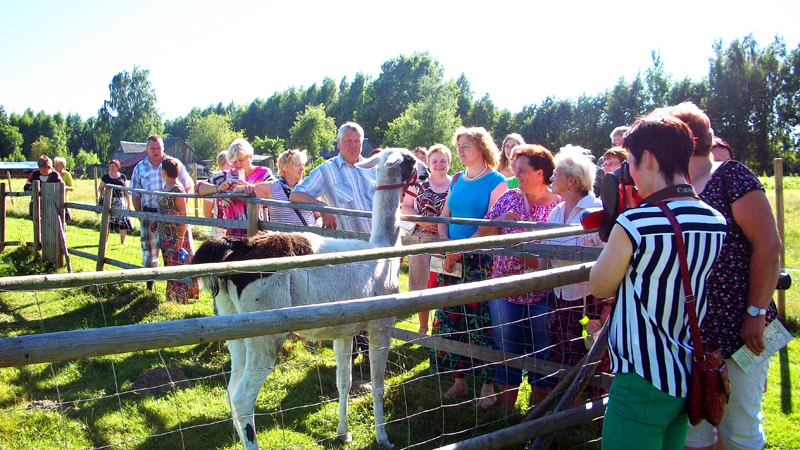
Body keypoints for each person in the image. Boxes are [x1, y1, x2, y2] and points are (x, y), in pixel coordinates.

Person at [589, 115, 727, 450]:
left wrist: (615, 227)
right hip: (686, 372)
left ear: (648, 158)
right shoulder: (714, 219)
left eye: (632, 163)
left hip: (642, 377)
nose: (631, 173)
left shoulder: (637, 222)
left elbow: (600, 285)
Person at [656, 103, 781, 450]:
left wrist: (755, 314)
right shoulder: (672, 187)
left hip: (741, 329)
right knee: (694, 432)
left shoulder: (730, 177)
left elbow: (768, 247)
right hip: (690, 334)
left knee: (739, 431)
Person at [479, 144, 562, 414]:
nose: (517, 175)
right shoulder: (509, 198)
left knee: (542, 351)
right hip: (505, 288)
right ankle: (506, 416)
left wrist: (519, 248)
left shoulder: (559, 206)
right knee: (506, 350)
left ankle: (539, 415)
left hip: (543, 291)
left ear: (540, 172)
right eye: (515, 169)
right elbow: (483, 233)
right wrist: (501, 220)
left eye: (522, 170)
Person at [431, 126, 507, 409]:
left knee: (481, 321)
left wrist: (458, 251)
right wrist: (445, 245)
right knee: (451, 316)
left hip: (478, 260)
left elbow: (490, 225)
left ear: (481, 148)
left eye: (466, 146)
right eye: (459, 146)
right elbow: (444, 215)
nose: (460, 151)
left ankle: (488, 385)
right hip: (450, 257)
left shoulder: (497, 182)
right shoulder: (458, 179)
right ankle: (459, 380)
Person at [541, 145, 608, 398]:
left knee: (590, 356)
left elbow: (607, 258)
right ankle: (568, 411)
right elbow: (545, 256)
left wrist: (606, 305)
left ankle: (587, 414)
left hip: (589, 302)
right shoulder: (557, 211)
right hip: (560, 299)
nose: (551, 178)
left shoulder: (597, 213)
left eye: (556, 173)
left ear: (571, 180)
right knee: (564, 353)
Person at [401, 144, 452, 334]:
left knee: (443, 284)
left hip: (444, 241)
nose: (439, 165)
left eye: (443, 161)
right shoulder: (417, 184)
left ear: (449, 162)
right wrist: (422, 221)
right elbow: (405, 207)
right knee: (420, 284)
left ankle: (442, 328)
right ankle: (423, 328)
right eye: (435, 161)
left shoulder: (456, 183)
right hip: (420, 240)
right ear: (428, 163)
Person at [290, 122, 376, 233]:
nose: (353, 145)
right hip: (347, 244)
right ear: (338, 143)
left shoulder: (373, 169)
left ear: (362, 144)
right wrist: (322, 206)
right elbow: (296, 195)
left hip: (378, 242)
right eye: (348, 141)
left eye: (357, 141)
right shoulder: (327, 170)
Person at [131, 135, 194, 271]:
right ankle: (150, 285)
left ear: (163, 147)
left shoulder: (173, 163)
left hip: (173, 219)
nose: (156, 151)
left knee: (175, 253)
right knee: (149, 253)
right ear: (146, 149)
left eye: (158, 147)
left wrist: (178, 210)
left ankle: (177, 285)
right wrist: (140, 214)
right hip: (150, 214)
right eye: (152, 148)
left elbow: (187, 186)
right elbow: (135, 194)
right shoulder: (139, 167)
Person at [196, 138, 273, 237]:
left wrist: (251, 189)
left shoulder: (264, 173)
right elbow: (199, 188)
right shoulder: (226, 175)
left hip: (261, 234)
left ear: (250, 156)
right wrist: (217, 188)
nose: (237, 164)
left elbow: (275, 193)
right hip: (233, 235)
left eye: (241, 160)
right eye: (234, 161)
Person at [233, 149, 317, 227]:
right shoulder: (271, 188)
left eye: (303, 165)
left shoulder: (308, 187)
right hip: (283, 240)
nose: (302, 168)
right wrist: (247, 187)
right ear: (285, 167)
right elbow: (236, 190)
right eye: (298, 165)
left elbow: (319, 215)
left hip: (307, 240)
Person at [155, 158, 198, 303]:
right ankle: (172, 297)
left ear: (164, 172)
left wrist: (180, 238)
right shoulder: (166, 187)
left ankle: (180, 298)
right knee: (170, 265)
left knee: (179, 265)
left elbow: (183, 214)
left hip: (176, 236)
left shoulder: (177, 189)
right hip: (165, 236)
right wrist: (156, 221)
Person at [99, 160, 133, 245]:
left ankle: (122, 241)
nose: (111, 168)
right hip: (109, 201)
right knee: (107, 221)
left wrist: (128, 203)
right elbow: (100, 188)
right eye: (110, 166)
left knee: (123, 221)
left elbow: (126, 191)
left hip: (120, 201)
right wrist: (104, 193)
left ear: (118, 167)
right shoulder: (106, 177)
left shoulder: (122, 177)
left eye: (113, 166)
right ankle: (105, 241)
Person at [202, 151, 231, 237]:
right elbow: (207, 213)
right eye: (230, 163)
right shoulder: (214, 182)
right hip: (218, 232)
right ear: (221, 166)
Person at [53, 157, 73, 222]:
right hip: (53, 198)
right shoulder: (52, 174)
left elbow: (72, 187)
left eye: (57, 165)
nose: (55, 166)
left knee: (66, 217)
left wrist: (66, 188)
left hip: (63, 198)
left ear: (63, 166)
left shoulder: (66, 174)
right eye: (55, 164)